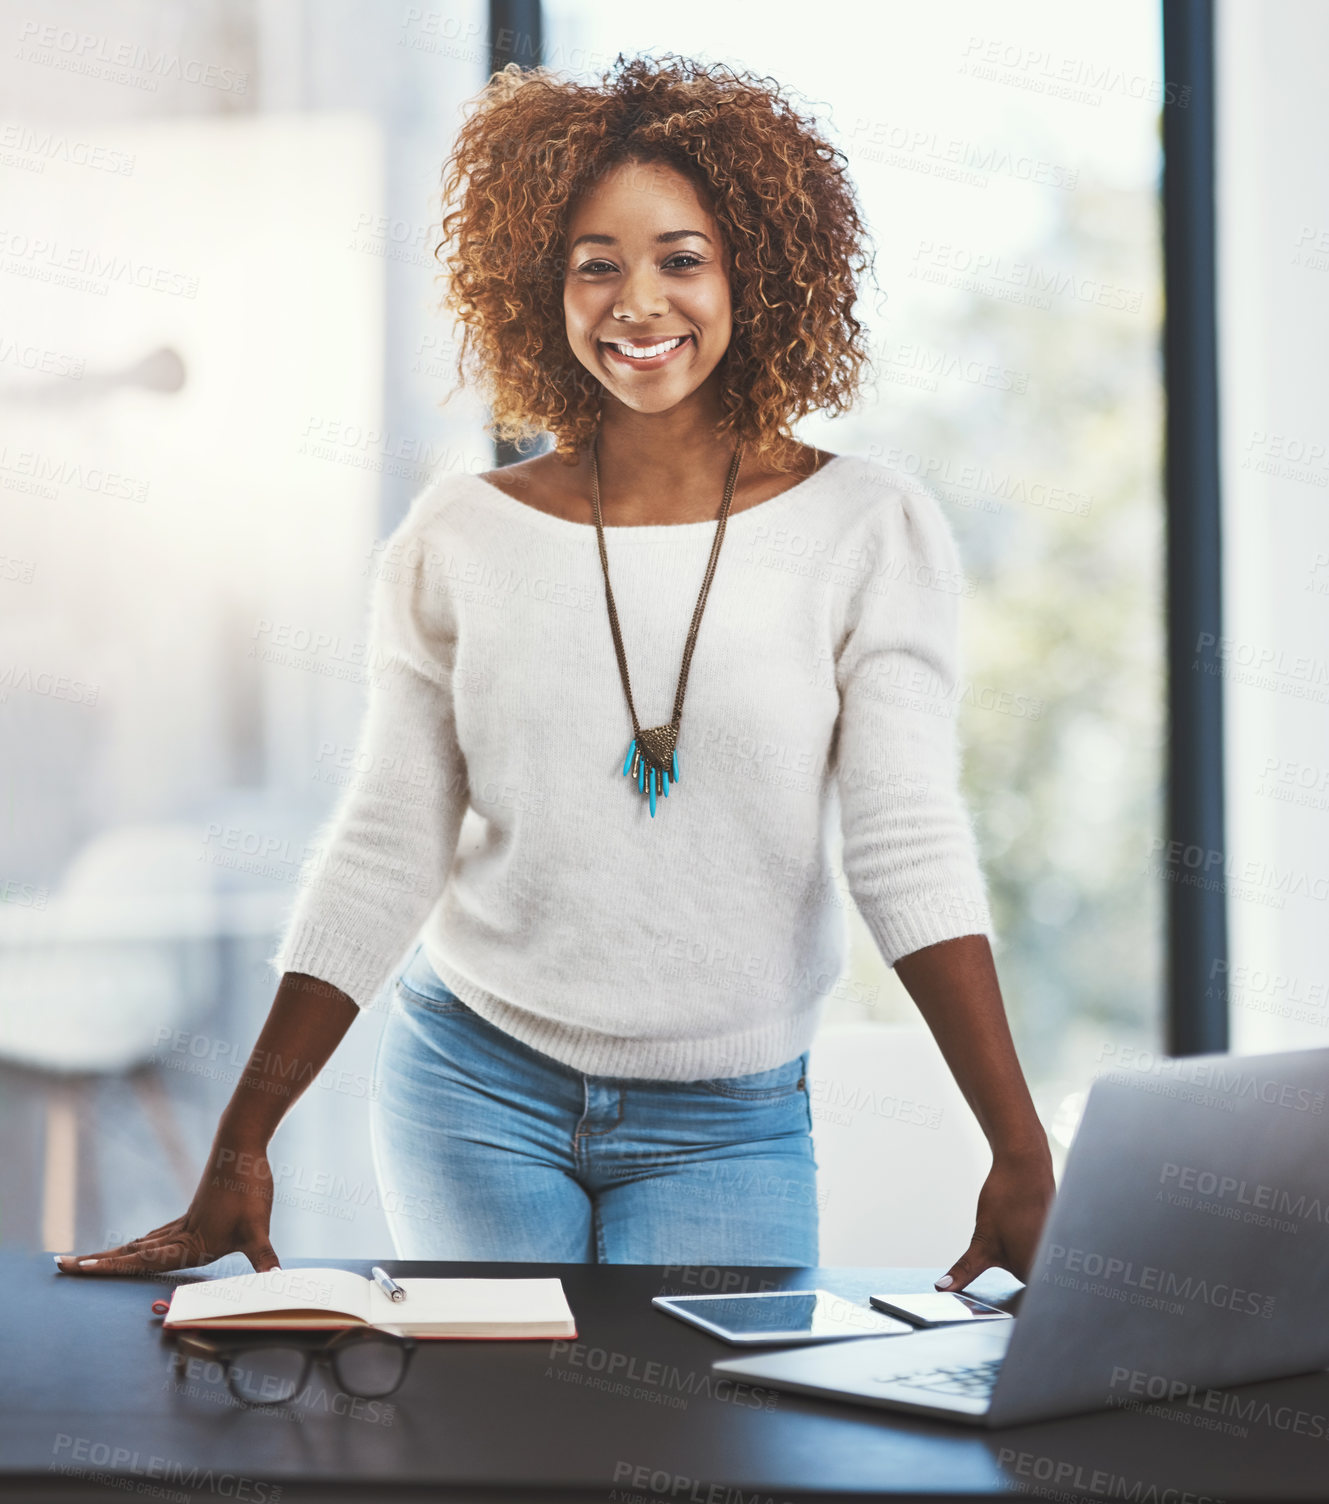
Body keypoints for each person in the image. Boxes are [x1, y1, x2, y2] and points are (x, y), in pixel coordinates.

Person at [57, 53, 1053, 1279]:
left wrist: (1017, 1146)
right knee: (495, 1452)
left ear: (759, 267)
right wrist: (242, 1138)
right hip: (473, 1088)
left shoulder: (868, 529)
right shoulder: (460, 536)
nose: (638, 303)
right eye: (597, 264)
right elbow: (385, 842)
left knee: (697, 1460)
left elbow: (905, 843)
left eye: (681, 257)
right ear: (542, 285)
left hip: (727, 1124)